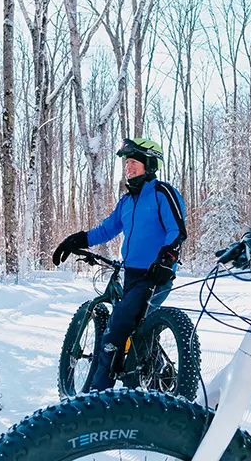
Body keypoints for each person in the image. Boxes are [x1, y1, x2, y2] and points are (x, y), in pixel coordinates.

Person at [52, 138, 188, 392]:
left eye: (134, 162)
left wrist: (167, 259)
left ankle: (97, 392)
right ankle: (155, 372)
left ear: (149, 164)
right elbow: (107, 229)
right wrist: (78, 239)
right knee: (134, 326)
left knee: (119, 322)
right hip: (131, 274)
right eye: (127, 163)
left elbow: (177, 230)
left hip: (156, 273)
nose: (128, 167)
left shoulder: (162, 193)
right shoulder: (127, 202)